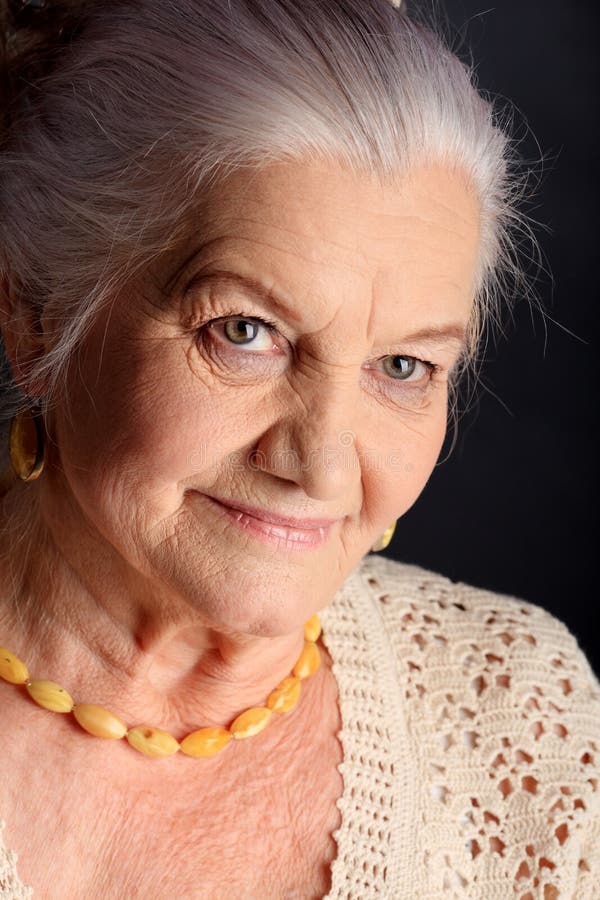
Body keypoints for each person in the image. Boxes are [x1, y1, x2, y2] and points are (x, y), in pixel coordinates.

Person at [0, 0, 598, 897]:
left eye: (403, 365)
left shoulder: (522, 712)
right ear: (35, 317)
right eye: (245, 330)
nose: (320, 466)